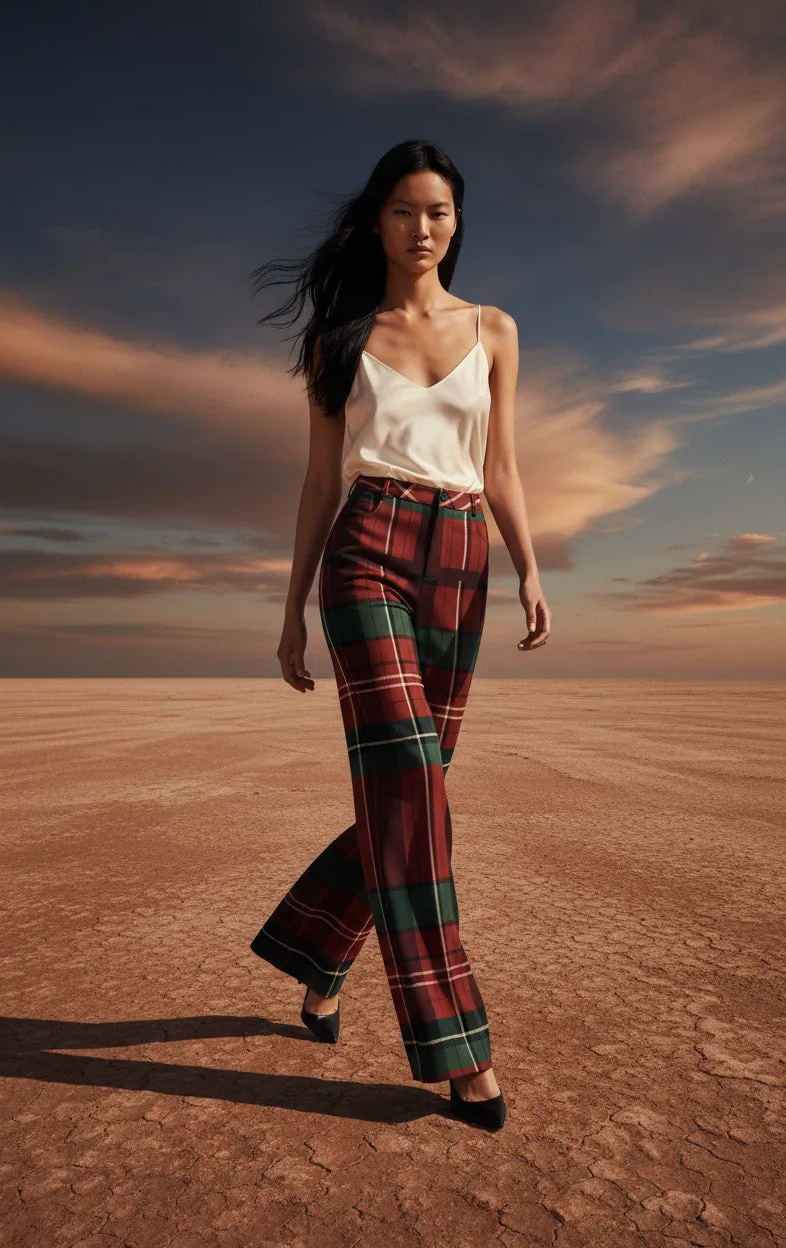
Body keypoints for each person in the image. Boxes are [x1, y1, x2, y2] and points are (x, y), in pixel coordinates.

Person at [248, 139, 551, 1131]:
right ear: (375, 221)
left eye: (440, 214)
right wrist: (292, 606)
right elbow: (316, 482)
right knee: (413, 786)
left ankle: (317, 951)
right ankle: (461, 1051)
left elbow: (499, 466)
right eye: (405, 212)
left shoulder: (496, 329)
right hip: (366, 551)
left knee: (409, 789)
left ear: (454, 226)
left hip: (462, 561)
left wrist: (529, 566)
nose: (423, 230)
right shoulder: (340, 341)